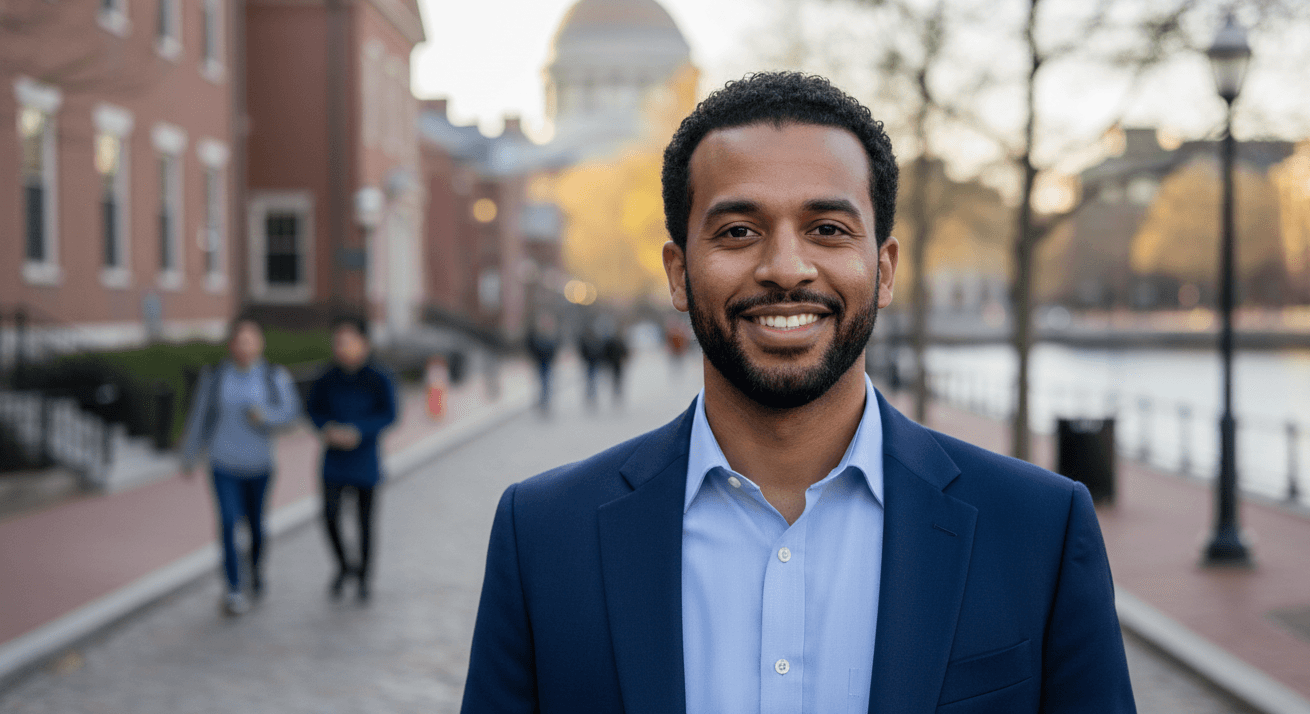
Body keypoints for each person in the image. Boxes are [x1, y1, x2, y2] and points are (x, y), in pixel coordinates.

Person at [462, 72, 1135, 713]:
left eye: (828, 230)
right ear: (678, 273)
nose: (786, 268)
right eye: (737, 232)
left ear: (885, 269)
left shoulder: (1039, 530)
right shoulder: (545, 537)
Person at [181, 317, 300, 616]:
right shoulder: (216, 377)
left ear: (260, 344)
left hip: (259, 464)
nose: (244, 347)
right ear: (231, 345)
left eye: (250, 340)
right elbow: (200, 415)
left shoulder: (274, 376)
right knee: (228, 522)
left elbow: (291, 415)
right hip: (223, 463)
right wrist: (189, 454)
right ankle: (233, 588)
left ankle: (256, 571)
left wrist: (266, 417)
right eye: (239, 341)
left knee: (256, 527)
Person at [306, 316, 398, 602]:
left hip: (365, 458)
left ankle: (364, 578)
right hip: (333, 459)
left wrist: (360, 431)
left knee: (365, 522)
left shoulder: (378, 377)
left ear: (364, 343)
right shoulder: (327, 377)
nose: (342, 347)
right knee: (329, 516)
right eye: (338, 342)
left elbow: (389, 414)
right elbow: (313, 409)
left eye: (348, 341)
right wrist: (327, 428)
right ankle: (345, 565)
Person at [525, 313, 560, 412]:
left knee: (545, 382)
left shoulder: (550, 335)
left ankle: (544, 400)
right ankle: (542, 400)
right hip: (540, 362)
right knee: (542, 382)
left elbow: (554, 348)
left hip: (547, 362)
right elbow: (531, 347)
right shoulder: (536, 335)